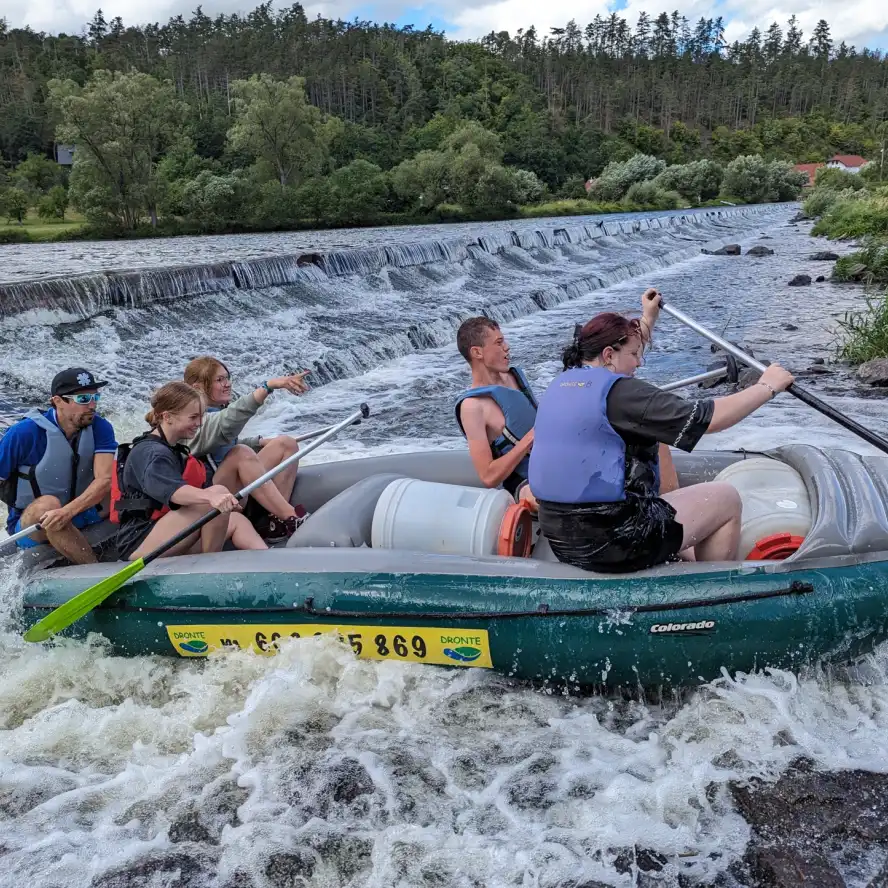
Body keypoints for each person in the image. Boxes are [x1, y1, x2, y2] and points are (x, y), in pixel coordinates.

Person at [528, 289, 795, 572]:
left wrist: (648, 317)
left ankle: (683, 559)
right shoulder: (623, 395)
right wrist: (767, 387)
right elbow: (708, 419)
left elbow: (624, 348)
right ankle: (714, 593)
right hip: (610, 540)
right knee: (725, 498)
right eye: (634, 355)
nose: (639, 362)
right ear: (608, 354)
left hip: (563, 536)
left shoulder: (564, 382)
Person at [114, 382, 267, 560]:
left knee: (237, 521)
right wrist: (211, 496)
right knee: (215, 495)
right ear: (168, 417)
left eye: (201, 416)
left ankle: (273, 564)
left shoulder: (173, 448)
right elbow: (175, 493)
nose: (199, 423)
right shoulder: (150, 453)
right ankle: (210, 565)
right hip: (138, 541)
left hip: (167, 529)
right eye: (193, 417)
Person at [184, 357, 310, 540]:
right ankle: (291, 517)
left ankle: (273, 522)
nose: (227, 384)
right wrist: (268, 387)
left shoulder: (214, 414)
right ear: (197, 387)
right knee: (240, 454)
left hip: (235, 487)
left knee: (286, 444)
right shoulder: (194, 420)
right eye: (219, 380)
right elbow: (227, 422)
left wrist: (257, 442)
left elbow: (223, 443)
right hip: (214, 498)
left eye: (227, 378)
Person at [0, 368, 117, 564]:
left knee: (121, 475)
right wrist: (61, 514)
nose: (92, 405)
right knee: (47, 505)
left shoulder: (100, 427)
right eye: (83, 399)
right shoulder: (23, 433)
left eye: (95, 397)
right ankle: (94, 570)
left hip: (80, 513)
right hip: (35, 524)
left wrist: (68, 512)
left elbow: (104, 479)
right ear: (58, 401)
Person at [454, 317, 538, 505]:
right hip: (523, 482)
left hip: (553, 460)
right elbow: (488, 476)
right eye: (499, 343)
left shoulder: (514, 377)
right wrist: (529, 440)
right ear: (477, 352)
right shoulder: (472, 407)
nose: (507, 347)